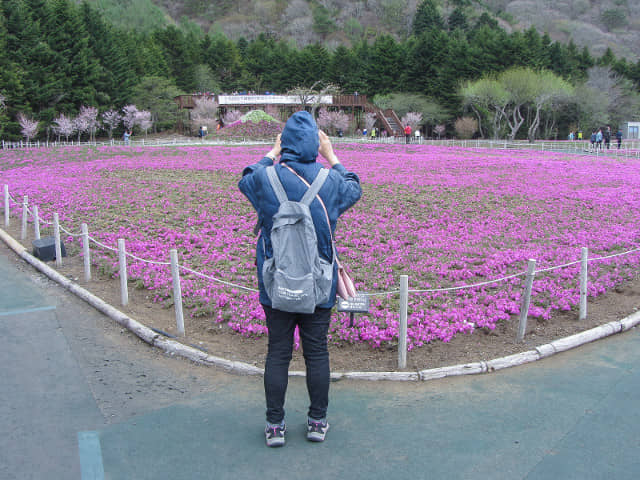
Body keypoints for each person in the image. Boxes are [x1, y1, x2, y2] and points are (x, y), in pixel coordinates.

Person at [238, 111, 362, 447]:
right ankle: (317, 422)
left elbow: (246, 178)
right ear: (314, 145)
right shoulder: (330, 181)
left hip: (275, 284)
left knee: (278, 353)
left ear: (286, 144)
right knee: (317, 354)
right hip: (320, 286)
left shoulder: (267, 179)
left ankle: (275, 426)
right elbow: (354, 187)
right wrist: (332, 156)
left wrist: (270, 153)